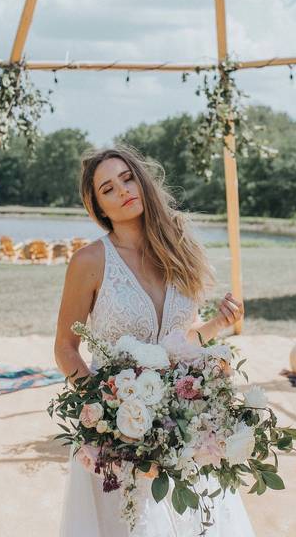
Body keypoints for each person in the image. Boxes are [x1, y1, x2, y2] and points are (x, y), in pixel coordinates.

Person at [53, 144, 255, 537]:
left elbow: (178, 341)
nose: (123, 191)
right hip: (119, 436)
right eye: (108, 189)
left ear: (142, 182)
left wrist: (218, 323)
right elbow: (64, 347)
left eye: (127, 178)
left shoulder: (180, 247)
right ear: (98, 207)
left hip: (184, 426)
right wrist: (104, 410)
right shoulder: (90, 262)